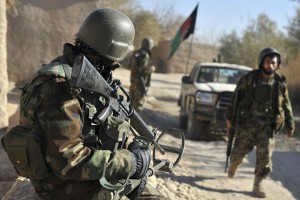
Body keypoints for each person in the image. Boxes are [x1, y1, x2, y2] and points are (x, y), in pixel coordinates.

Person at [10, 8, 162, 200]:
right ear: (113, 52)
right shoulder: (61, 87)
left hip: (75, 180)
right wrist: (130, 162)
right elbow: (70, 161)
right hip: (63, 188)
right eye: (116, 61)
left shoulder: (73, 71)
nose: (116, 64)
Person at [225, 47, 295, 198]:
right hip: (248, 124)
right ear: (262, 62)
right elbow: (236, 97)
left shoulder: (280, 83)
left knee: (265, 159)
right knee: (237, 153)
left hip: (267, 127)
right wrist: (229, 117)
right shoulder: (249, 78)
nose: (270, 65)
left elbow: (286, 104)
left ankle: (258, 184)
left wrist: (290, 124)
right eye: (268, 62)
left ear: (277, 64)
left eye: (273, 63)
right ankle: (234, 164)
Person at [129, 37, 155, 112]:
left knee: (131, 103)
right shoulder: (145, 55)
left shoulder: (136, 53)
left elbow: (131, 66)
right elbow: (142, 69)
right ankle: (134, 123)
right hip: (140, 83)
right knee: (138, 106)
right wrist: (151, 69)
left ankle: (128, 120)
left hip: (133, 81)